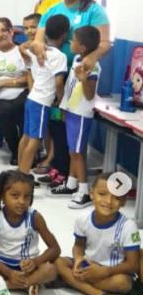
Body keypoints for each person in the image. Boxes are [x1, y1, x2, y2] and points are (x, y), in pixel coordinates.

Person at [31, 0, 111, 187]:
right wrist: (39, 50)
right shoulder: (52, 10)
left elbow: (104, 43)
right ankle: (60, 169)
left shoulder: (94, 11)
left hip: (79, 78)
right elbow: (39, 39)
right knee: (57, 123)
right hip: (56, 76)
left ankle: (71, 176)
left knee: (74, 131)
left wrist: (90, 60)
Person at [55, 173, 140, 295]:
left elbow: (133, 265)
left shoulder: (128, 226)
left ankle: (73, 282)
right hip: (88, 266)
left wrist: (104, 271)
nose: (108, 201)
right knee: (58, 262)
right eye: (102, 194)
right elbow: (78, 246)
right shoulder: (83, 220)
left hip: (113, 272)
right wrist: (78, 259)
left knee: (123, 283)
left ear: (124, 201)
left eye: (116, 197)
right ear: (91, 194)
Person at [0, 170, 60, 295]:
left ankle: (8, 285)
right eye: (15, 196)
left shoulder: (35, 217)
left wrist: (35, 262)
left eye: (27, 196)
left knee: (50, 270)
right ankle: (27, 284)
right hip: (2, 265)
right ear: (3, 196)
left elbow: (55, 249)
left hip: (28, 267)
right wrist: (8, 272)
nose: (21, 201)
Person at [54, 26, 102, 207]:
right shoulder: (76, 58)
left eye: (73, 40)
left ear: (82, 46)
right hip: (72, 111)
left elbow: (89, 95)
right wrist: (64, 107)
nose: (69, 42)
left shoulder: (93, 66)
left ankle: (84, 191)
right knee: (71, 150)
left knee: (77, 153)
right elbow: (70, 87)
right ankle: (71, 183)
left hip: (82, 114)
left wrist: (83, 77)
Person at [17, 14, 69, 176]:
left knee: (26, 136)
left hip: (31, 99)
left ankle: (19, 171)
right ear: (65, 34)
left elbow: (21, 48)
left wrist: (34, 43)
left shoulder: (36, 51)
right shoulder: (60, 56)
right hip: (42, 102)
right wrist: (61, 99)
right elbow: (59, 82)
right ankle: (24, 176)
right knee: (35, 139)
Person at [0, 17, 28, 165]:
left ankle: (28, 152)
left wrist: (3, 82)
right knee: (3, 112)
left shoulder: (21, 51)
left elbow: (29, 78)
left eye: (4, 30)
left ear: (11, 32)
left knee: (23, 108)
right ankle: (16, 151)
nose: (0, 34)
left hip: (22, 92)